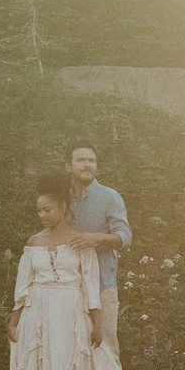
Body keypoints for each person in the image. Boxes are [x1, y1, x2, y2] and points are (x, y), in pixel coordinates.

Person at [0, 172, 140, 370]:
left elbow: (90, 286)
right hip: (40, 313)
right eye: (39, 210)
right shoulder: (33, 242)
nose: (42, 215)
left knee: (77, 368)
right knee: (44, 367)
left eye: (47, 209)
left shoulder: (79, 242)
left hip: (71, 311)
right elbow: (22, 286)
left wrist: (96, 323)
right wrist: (14, 321)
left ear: (63, 208)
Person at [63, 144, 131, 356]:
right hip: (69, 288)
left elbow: (126, 237)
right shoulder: (63, 199)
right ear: (68, 166)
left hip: (102, 287)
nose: (87, 165)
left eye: (91, 161)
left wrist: (98, 238)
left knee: (105, 352)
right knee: (74, 353)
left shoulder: (109, 197)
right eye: (81, 160)